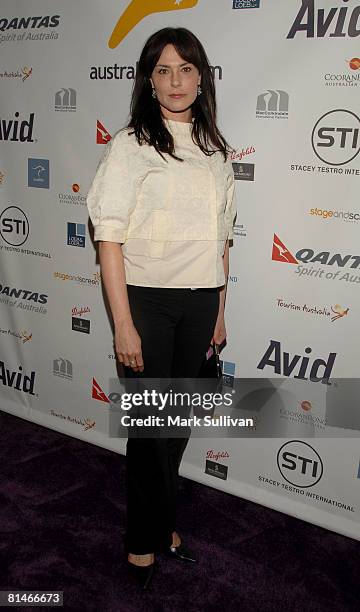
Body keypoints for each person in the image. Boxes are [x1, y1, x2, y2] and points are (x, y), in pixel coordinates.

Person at [86, 26, 237, 590]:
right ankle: (141, 543)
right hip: (145, 304)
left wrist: (221, 310)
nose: (176, 81)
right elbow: (110, 238)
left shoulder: (216, 148)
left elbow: (223, 238)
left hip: (201, 303)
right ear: (149, 82)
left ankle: (161, 524)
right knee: (150, 432)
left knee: (175, 429)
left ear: (201, 79)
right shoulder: (130, 145)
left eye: (186, 69)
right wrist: (123, 323)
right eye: (164, 70)